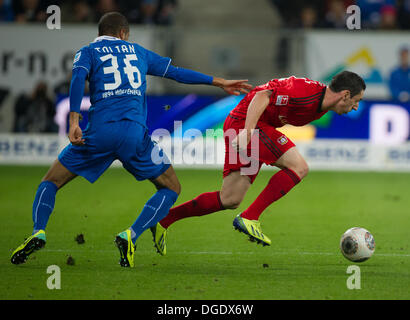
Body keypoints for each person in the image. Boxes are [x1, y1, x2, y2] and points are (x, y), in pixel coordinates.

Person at [10, 12, 252, 267]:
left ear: (101, 31)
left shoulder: (87, 52)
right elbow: (177, 73)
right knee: (171, 188)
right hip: (135, 136)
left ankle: (39, 230)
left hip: (99, 133)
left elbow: (77, 79)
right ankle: (131, 235)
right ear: (124, 33)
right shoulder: (138, 52)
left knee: (51, 181)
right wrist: (219, 82)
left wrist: (73, 121)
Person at [151, 71, 366, 255]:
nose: (356, 107)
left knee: (230, 198)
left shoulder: (320, 105)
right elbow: (262, 96)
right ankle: (250, 217)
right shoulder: (306, 94)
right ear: (345, 95)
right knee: (299, 167)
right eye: (356, 101)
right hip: (248, 126)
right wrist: (248, 131)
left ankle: (164, 219)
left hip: (242, 124)